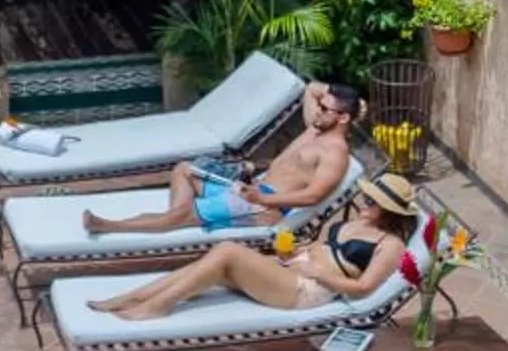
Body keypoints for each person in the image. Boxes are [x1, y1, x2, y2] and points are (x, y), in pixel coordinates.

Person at [87, 172, 419, 320]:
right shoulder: (359, 222)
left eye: (372, 202)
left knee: (228, 251)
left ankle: (155, 308)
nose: (364, 202)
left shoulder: (389, 245)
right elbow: (318, 245)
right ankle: (136, 297)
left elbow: (361, 288)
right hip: (292, 270)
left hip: (308, 290)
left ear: (389, 211)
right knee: (211, 266)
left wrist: (314, 270)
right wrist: (293, 252)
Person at [82, 80, 357, 237]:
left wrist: (262, 199)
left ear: (342, 118)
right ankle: (174, 220)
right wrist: (352, 103)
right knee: (183, 170)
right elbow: (311, 88)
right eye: (320, 107)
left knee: (182, 213)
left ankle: (107, 226)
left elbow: (311, 197)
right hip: (251, 190)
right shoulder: (316, 128)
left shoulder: (334, 153)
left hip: (263, 207)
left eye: (325, 108)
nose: (318, 110)